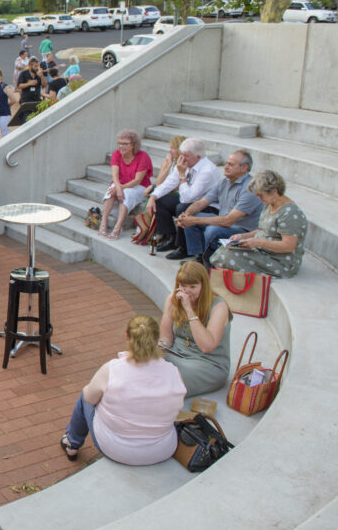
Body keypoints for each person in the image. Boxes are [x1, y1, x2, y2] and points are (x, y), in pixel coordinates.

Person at [60, 315, 186, 465]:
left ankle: (72, 443)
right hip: (163, 450)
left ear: (127, 337)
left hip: (117, 449)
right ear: (157, 339)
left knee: (86, 395)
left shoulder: (112, 369)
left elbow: (89, 398)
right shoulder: (173, 372)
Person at [210, 170, 308, 278]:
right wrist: (244, 236)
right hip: (265, 252)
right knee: (225, 249)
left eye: (261, 195)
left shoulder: (290, 213)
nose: (258, 198)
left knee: (228, 256)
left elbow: (288, 246)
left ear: (274, 192)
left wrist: (258, 242)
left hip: (281, 261)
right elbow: (264, 229)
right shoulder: (270, 204)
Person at [172, 151, 262, 263]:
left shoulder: (249, 189)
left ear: (244, 168)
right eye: (226, 163)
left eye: (231, 164)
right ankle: (199, 256)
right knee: (191, 215)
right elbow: (201, 203)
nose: (226, 167)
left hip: (243, 230)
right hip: (225, 222)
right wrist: (186, 216)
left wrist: (192, 220)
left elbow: (229, 221)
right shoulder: (224, 182)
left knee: (212, 230)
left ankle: (208, 261)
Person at [158, 261, 232, 396]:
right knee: (144, 368)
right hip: (176, 354)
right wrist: (156, 350)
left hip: (207, 364)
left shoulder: (219, 307)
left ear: (203, 286)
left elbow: (207, 346)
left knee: (166, 382)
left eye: (193, 286)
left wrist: (189, 310)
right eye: (183, 286)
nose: (187, 291)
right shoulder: (172, 300)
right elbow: (166, 338)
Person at [147, 139, 220, 253]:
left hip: (210, 207)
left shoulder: (207, 171)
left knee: (182, 207)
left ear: (198, 157)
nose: (182, 159)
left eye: (186, 155)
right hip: (191, 201)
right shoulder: (186, 163)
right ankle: (170, 237)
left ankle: (183, 247)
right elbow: (168, 183)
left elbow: (187, 198)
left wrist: (182, 174)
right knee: (160, 200)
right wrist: (153, 196)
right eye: (182, 154)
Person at [99, 129, 153, 239]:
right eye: (119, 143)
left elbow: (137, 180)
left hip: (140, 186)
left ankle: (118, 227)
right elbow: (115, 175)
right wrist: (118, 188)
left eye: (125, 144)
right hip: (122, 183)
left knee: (127, 193)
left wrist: (120, 188)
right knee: (111, 191)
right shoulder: (116, 154)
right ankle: (103, 223)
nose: (121, 146)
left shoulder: (143, 156)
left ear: (133, 144)